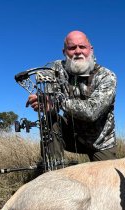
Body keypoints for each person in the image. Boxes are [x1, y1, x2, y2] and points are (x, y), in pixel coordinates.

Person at [27, 30, 117, 162]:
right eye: (72, 48)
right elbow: (51, 107)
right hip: (71, 135)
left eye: (82, 47)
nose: (78, 51)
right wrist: (45, 105)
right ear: (64, 52)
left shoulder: (107, 76)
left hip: (101, 142)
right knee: (49, 119)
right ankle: (53, 173)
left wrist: (57, 101)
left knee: (108, 180)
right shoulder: (55, 70)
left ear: (90, 49)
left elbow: (92, 112)